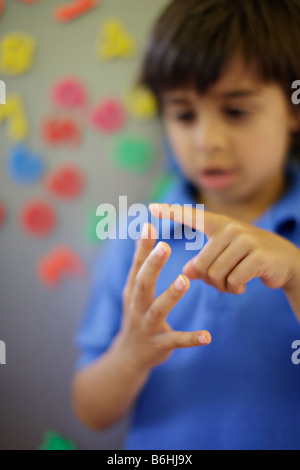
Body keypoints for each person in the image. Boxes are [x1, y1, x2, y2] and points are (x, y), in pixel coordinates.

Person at [72, 0, 300, 450]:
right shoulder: (135, 234)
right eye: (183, 114)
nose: (206, 141)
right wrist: (131, 355)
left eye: (236, 112)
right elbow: (91, 412)